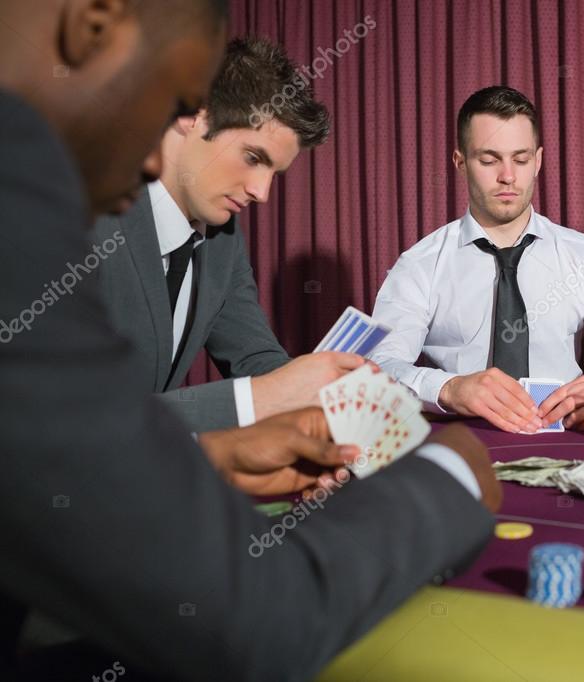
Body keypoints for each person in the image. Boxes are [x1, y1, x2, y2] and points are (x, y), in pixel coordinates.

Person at [0, 2, 500, 679]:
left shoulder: (218, 237)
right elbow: (254, 623)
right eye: (172, 104)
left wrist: (221, 450)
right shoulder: (50, 196)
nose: (263, 192)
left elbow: (44, 445)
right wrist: (445, 475)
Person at [92, 36, 355, 432]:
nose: (261, 193)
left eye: (274, 174)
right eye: (252, 158)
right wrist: (264, 399)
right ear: (190, 113)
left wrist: (306, 418)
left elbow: (255, 357)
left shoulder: (222, 237)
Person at [369, 85, 584, 434]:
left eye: (521, 159)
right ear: (460, 163)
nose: (508, 176)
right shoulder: (419, 264)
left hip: (566, 441)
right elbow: (375, 366)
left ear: (538, 161)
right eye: (489, 160)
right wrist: (447, 388)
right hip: (462, 442)